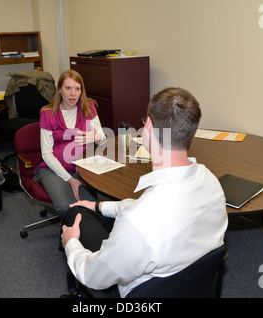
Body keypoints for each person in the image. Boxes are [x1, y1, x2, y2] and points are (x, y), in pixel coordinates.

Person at [61, 87, 228, 298]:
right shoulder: (212, 185)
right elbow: (145, 209)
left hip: (137, 294)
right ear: (192, 132)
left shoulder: (138, 223)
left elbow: (91, 275)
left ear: (147, 126)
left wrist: (72, 243)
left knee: (75, 216)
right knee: (87, 211)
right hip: (188, 286)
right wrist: (99, 205)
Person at [34, 70, 106, 217]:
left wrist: (96, 136)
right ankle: (72, 235)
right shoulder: (47, 114)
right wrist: (70, 180)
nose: (73, 93)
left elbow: (103, 138)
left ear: (81, 91)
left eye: (77, 88)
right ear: (60, 90)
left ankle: (88, 233)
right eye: (68, 88)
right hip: (53, 169)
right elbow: (46, 154)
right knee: (66, 207)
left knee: (95, 206)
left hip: (83, 168)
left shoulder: (89, 108)